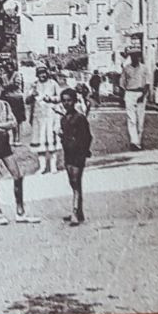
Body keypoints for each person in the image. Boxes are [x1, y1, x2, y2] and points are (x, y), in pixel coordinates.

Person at [0, 76, 39, 225]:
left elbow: (13, 122)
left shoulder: (5, 104)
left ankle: (20, 212)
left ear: (2, 88)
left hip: (4, 143)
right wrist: (1, 125)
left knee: (17, 175)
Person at [58, 88, 93, 226]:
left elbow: (87, 137)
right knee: (73, 183)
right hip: (68, 153)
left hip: (78, 154)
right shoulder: (63, 119)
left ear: (74, 101)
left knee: (76, 181)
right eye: (64, 101)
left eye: (69, 100)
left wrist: (84, 151)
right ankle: (79, 212)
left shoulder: (80, 118)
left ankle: (75, 212)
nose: (67, 103)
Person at [28, 67, 64, 173]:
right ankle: (42, 167)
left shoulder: (53, 83)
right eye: (40, 73)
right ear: (37, 75)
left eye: (44, 73)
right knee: (40, 143)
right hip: (38, 117)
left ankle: (53, 166)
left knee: (51, 140)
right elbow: (27, 100)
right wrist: (31, 95)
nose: (42, 75)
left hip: (51, 115)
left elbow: (61, 97)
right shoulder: (34, 85)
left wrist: (51, 99)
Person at [119, 50, 152, 150]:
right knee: (131, 119)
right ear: (130, 57)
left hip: (141, 93)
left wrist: (143, 95)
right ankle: (134, 142)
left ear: (139, 57)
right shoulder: (126, 69)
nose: (135, 58)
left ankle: (138, 141)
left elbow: (148, 83)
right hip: (129, 93)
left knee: (140, 119)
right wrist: (123, 96)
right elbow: (122, 83)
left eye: (137, 56)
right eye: (133, 56)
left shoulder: (144, 68)